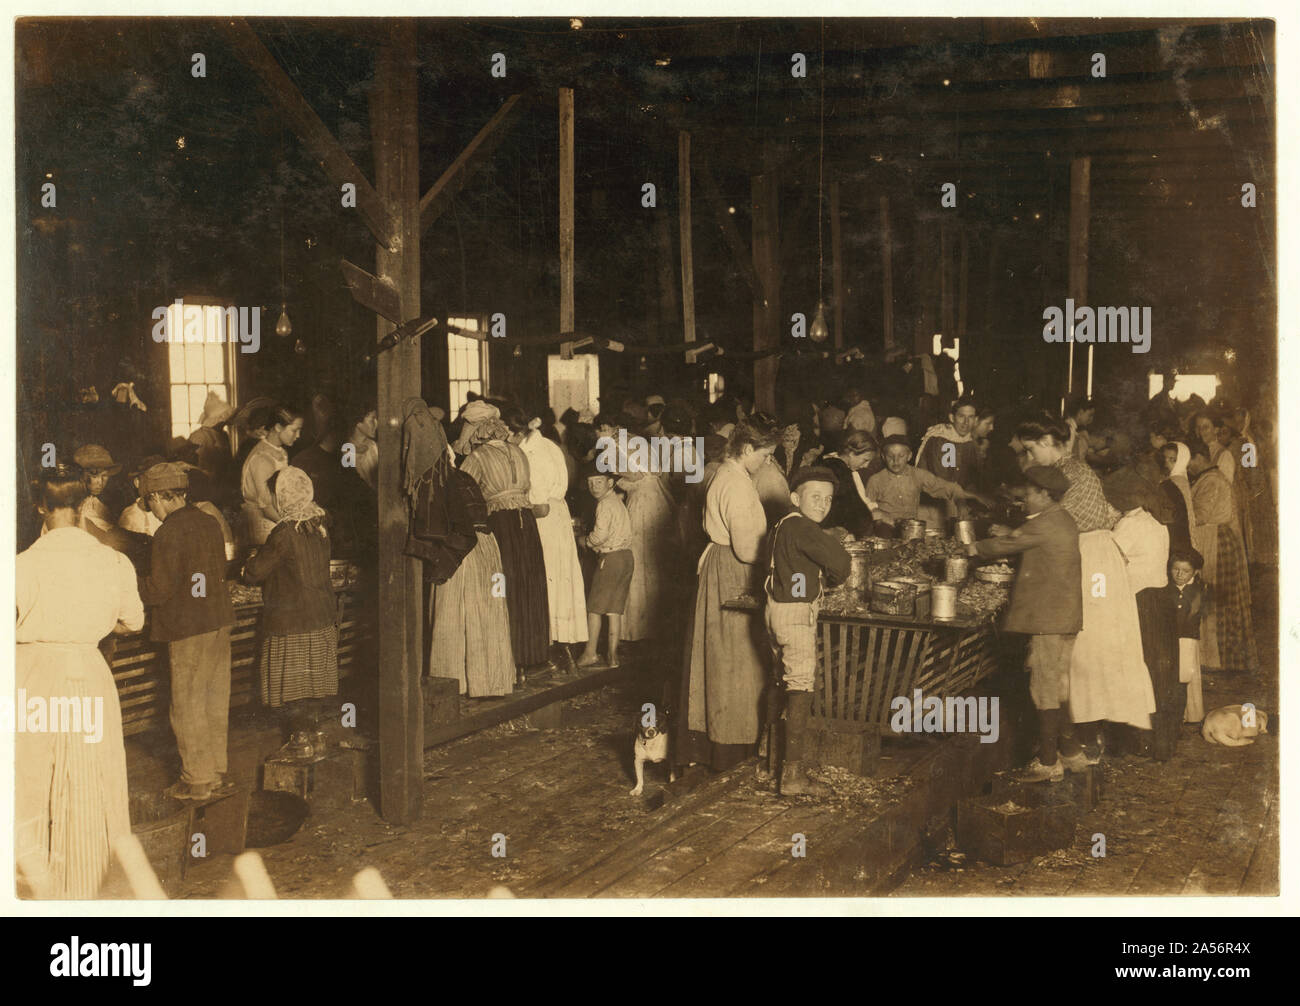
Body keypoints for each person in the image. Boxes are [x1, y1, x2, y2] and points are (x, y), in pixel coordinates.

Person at [16, 466, 144, 898]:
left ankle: (32, 886)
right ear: (85, 504)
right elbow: (134, 621)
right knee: (91, 777)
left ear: (39, 507)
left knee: (34, 778)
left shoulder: (21, 565)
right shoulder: (112, 559)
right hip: (89, 672)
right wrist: (90, 627)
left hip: (35, 674)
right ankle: (90, 881)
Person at [1018, 418, 1155, 756]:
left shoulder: (1071, 473)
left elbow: (1055, 523)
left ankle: (1084, 739)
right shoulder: (1071, 470)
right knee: (1088, 650)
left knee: (1086, 649)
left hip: (1090, 560)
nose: (1030, 456)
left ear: (1049, 440)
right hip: (1093, 557)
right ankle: (1081, 737)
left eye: (1032, 449)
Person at [968, 466, 1085, 782]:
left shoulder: (1046, 523)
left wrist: (972, 548)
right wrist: (1008, 534)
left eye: (1030, 494)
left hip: (1049, 619)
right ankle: (1072, 753)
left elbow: (1006, 545)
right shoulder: (1061, 519)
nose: (1024, 499)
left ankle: (1047, 762)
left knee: (1043, 687)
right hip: (1064, 617)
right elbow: (1024, 537)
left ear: (1046, 495)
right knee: (1058, 685)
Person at [679, 413, 781, 773]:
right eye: (766, 455)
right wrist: (779, 554)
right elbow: (746, 549)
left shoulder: (727, 473)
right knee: (736, 661)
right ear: (748, 448)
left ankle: (724, 743)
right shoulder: (736, 484)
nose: (768, 462)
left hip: (721, 566)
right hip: (734, 571)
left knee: (726, 658)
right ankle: (732, 748)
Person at [137, 462, 236, 800]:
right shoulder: (208, 522)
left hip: (188, 627)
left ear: (156, 498)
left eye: (148, 503)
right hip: (218, 621)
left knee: (187, 704)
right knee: (212, 698)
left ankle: (196, 780)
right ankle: (214, 772)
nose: (150, 509)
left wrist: (128, 582)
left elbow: (159, 590)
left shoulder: (168, 533)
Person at [411, 398, 515, 698]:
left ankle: (453, 682)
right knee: (485, 617)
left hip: (464, 552)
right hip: (487, 549)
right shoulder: (463, 475)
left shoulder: (439, 481)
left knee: (453, 616)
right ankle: (488, 683)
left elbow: (448, 530)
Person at [765, 466, 850, 796]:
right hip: (796, 615)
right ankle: (793, 776)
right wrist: (831, 576)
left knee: (779, 678)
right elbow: (842, 564)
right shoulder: (805, 527)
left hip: (775, 610)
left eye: (828, 498)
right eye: (815, 497)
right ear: (795, 497)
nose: (823, 504)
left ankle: (768, 758)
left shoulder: (783, 524)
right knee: (801, 686)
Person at [243, 467, 340, 744]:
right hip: (320, 616)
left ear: (283, 497)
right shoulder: (318, 526)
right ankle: (313, 738)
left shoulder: (284, 532)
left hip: (293, 622)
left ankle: (300, 744)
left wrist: (245, 566)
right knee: (311, 689)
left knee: (295, 691)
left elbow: (255, 572)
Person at [457, 401, 551, 681]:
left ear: (477, 430)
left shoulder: (477, 457)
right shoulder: (518, 451)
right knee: (528, 586)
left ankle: (508, 660)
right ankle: (532, 657)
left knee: (503, 587)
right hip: (526, 523)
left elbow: (464, 495)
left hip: (500, 525)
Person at [505, 407, 589, 662]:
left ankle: (547, 641)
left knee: (547, 578)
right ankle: (562, 642)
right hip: (558, 517)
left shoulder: (533, 454)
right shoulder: (551, 445)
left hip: (544, 521)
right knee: (561, 579)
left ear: (516, 432)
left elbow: (539, 506)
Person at [1188, 444, 1258, 673]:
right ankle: (1222, 660)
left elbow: (1200, 515)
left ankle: (1219, 661)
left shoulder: (1211, 480)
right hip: (1219, 540)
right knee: (1221, 601)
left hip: (1215, 542)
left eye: (1190, 462)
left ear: (1198, 457)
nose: (1188, 467)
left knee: (1216, 600)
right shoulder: (1212, 476)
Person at [865, 434, 990, 532]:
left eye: (901, 456)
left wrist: (962, 504)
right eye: (890, 456)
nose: (895, 461)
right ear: (883, 456)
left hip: (911, 530)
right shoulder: (875, 480)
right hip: (884, 531)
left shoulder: (918, 475)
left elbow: (949, 488)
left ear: (909, 456)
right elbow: (866, 510)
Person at [577, 463, 635, 668]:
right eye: (590, 483)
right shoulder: (618, 502)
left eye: (599, 482)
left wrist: (586, 541)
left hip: (610, 559)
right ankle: (612, 657)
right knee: (614, 610)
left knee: (594, 608)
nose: (594, 486)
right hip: (626, 558)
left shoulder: (604, 504)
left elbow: (600, 535)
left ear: (610, 482)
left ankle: (590, 653)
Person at [916, 395, 983, 528]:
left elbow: (970, 478)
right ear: (952, 418)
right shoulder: (943, 439)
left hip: (952, 503)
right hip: (932, 507)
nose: (965, 422)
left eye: (970, 417)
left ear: (976, 420)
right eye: (961, 416)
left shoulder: (968, 442)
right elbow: (943, 480)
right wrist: (969, 498)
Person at [241, 405, 303, 546]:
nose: (298, 436)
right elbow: (266, 506)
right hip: (261, 522)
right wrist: (291, 527)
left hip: (277, 516)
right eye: (294, 430)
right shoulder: (262, 458)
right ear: (278, 427)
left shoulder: (281, 452)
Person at [1163, 548, 1207, 723]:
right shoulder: (1166, 588)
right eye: (1176, 569)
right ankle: (1175, 714)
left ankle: (1192, 713)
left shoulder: (1198, 590)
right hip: (1171, 639)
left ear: (1195, 572)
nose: (1180, 574)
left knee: (1187, 675)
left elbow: (1193, 614)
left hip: (1187, 638)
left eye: (1186, 571)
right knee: (1173, 676)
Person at [822, 430, 880, 538]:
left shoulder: (840, 466)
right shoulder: (838, 468)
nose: (866, 466)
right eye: (865, 460)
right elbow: (854, 507)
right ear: (852, 453)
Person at [71, 444, 121, 533]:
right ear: (81, 476)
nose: (100, 482)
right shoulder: (77, 506)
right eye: (94, 476)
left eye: (105, 476)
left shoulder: (95, 502)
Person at [349, 403, 380, 491]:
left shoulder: (373, 445)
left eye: (376, 419)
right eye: (372, 419)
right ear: (358, 422)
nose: (376, 424)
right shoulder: (347, 450)